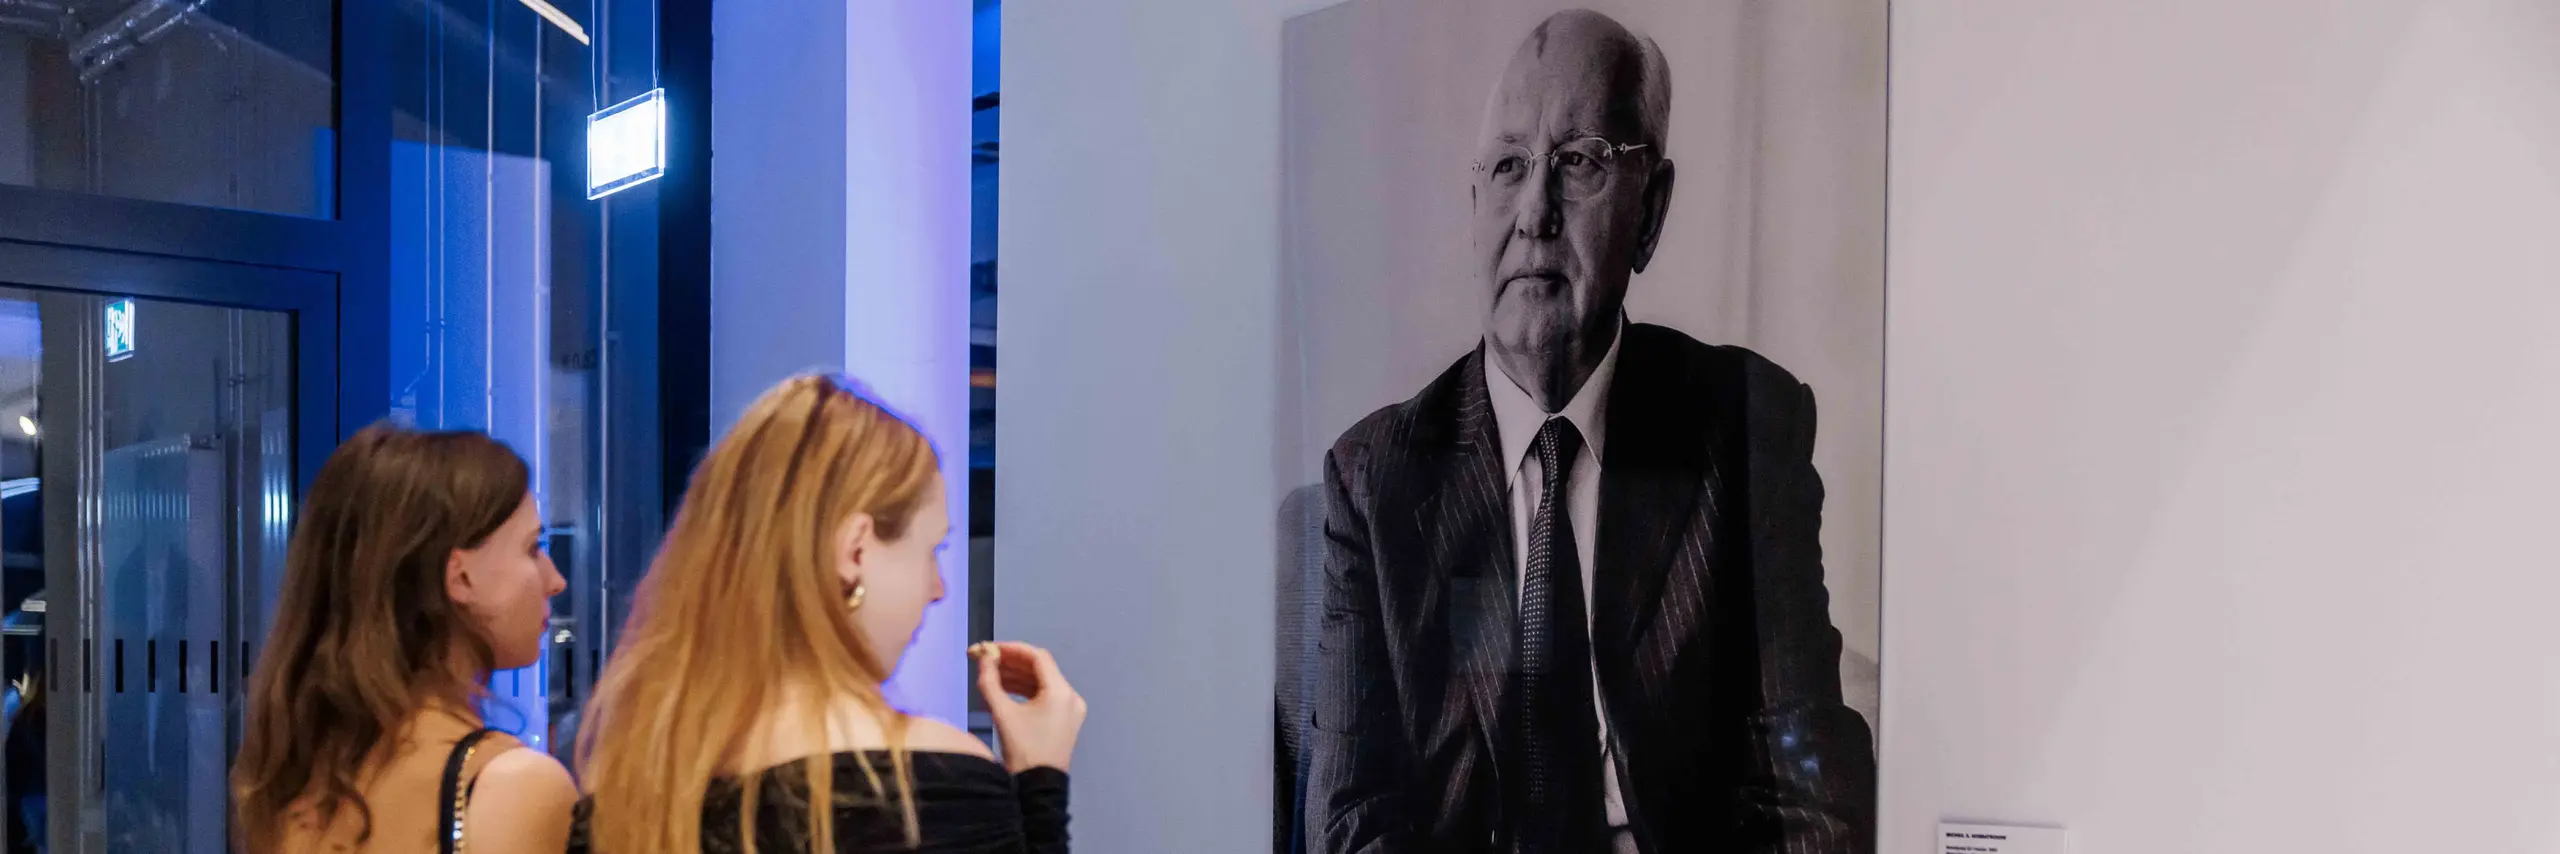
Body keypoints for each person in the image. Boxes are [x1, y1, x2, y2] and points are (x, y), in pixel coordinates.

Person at [1304, 10, 1876, 854]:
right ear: (1474, 210)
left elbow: (1809, 790)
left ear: (1651, 211)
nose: (1534, 211)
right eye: (1508, 167)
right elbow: (1355, 821)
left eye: (1578, 163)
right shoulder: (1377, 480)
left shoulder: (1744, 429)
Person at [570, 374, 1084, 854]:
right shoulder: (936, 786)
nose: (938, 589)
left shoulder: (625, 792)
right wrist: (1039, 785)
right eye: (931, 550)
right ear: (855, 551)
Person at [231, 426, 577, 853]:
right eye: (531, 548)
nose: (555, 580)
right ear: (460, 577)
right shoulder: (515, 788)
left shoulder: (300, 788)